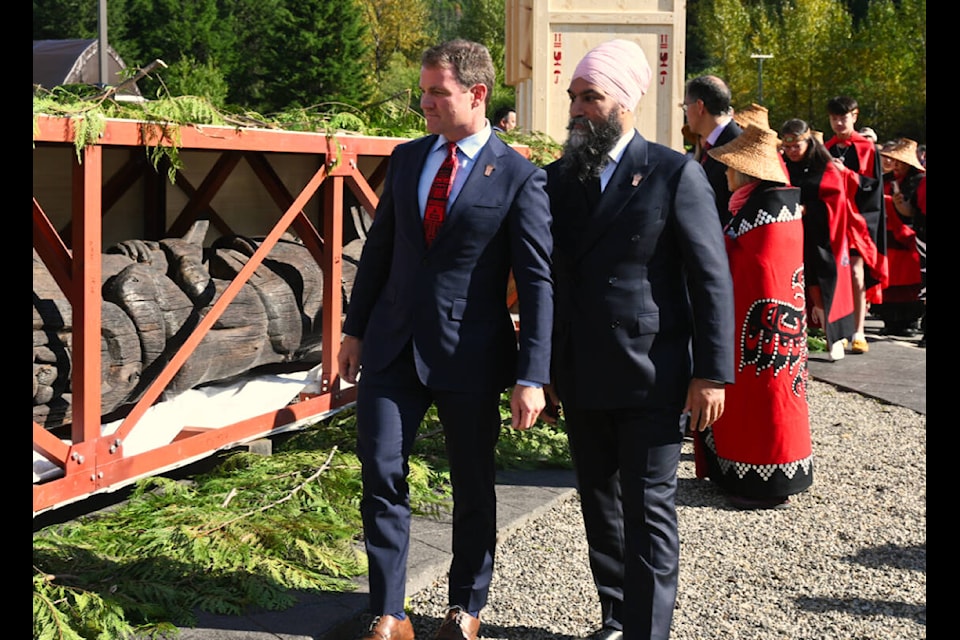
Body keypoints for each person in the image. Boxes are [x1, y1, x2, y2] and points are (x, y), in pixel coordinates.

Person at [336, 39, 554, 640]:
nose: (425, 103)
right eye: (424, 90)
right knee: (381, 473)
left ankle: (466, 608)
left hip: (471, 356)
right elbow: (378, 251)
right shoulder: (407, 159)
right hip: (391, 346)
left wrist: (532, 375)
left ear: (477, 94)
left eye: (438, 92)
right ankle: (390, 612)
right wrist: (354, 329)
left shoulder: (518, 177)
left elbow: (537, 283)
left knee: (472, 484)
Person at [545, 39, 735, 640]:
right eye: (573, 96)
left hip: (652, 374)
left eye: (590, 97)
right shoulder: (557, 181)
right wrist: (544, 367)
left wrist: (712, 373)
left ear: (624, 101)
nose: (577, 109)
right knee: (599, 503)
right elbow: (546, 278)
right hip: (580, 370)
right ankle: (616, 614)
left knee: (649, 508)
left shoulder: (674, 172)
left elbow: (711, 279)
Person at [696, 124, 812, 510]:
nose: (725, 173)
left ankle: (760, 475)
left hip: (759, 327)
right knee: (772, 396)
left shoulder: (762, 213)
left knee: (760, 399)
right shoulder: (769, 206)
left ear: (746, 172)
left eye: (730, 167)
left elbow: (755, 272)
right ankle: (755, 470)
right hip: (769, 324)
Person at [779, 118, 857, 361]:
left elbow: (837, 205)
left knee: (824, 288)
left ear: (807, 142)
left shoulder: (826, 167)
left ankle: (833, 337)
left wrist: (807, 210)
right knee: (806, 287)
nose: (792, 151)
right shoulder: (783, 166)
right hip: (793, 237)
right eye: (787, 146)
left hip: (823, 239)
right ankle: (805, 335)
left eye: (797, 146)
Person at [824, 96, 887, 355]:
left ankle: (859, 331)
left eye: (844, 117)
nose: (839, 122)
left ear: (855, 115)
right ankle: (837, 330)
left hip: (858, 220)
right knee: (832, 276)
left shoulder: (867, 149)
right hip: (831, 219)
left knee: (855, 273)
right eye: (834, 118)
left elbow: (873, 188)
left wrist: (845, 174)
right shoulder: (825, 147)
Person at [873, 137, 925, 337]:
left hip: (910, 238)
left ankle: (910, 320)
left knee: (910, 283)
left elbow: (914, 211)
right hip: (887, 236)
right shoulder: (885, 181)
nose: (894, 165)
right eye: (892, 160)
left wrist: (899, 205)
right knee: (890, 281)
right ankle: (890, 321)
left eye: (899, 162)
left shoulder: (918, 182)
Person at [682, 74, 743, 226]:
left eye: (685, 107)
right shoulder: (709, 144)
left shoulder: (737, 147)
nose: (685, 114)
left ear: (700, 106)